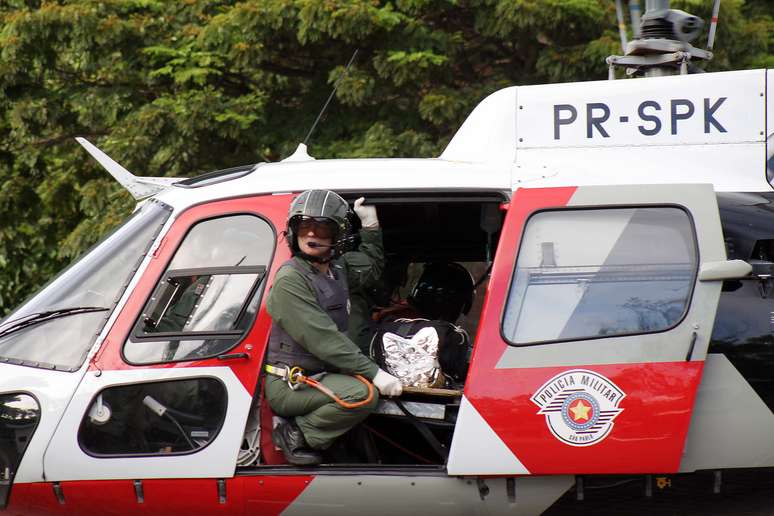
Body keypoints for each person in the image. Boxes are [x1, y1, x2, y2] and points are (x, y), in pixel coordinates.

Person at [264, 189, 403, 465]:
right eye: (305, 227)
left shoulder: (336, 269)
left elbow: (370, 268)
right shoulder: (290, 280)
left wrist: (371, 227)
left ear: (336, 236)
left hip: (320, 376)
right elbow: (324, 340)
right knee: (363, 394)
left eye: (322, 228)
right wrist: (375, 373)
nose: (312, 235)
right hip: (290, 382)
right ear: (294, 230)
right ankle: (296, 434)